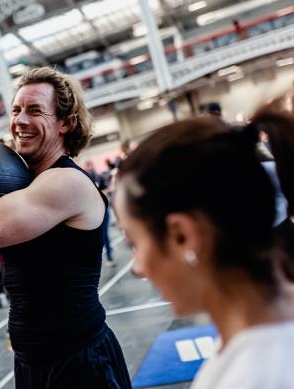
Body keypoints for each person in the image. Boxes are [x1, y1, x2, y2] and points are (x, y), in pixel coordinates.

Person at [0, 67, 132, 388]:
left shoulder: (66, 181)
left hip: (78, 361)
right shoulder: (21, 185)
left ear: (65, 123)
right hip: (31, 361)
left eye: (35, 110)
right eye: (16, 110)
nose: (20, 120)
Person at [112, 105, 294, 388]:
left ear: (182, 235)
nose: (138, 268)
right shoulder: (257, 341)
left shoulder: (257, 375)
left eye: (135, 242)